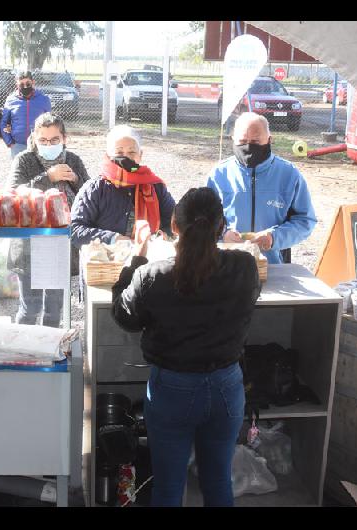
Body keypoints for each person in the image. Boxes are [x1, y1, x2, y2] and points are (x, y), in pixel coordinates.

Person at [111, 187, 262, 507]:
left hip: (172, 390)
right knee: (218, 480)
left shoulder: (151, 275)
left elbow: (125, 317)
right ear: (221, 227)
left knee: (167, 487)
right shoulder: (245, 267)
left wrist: (136, 257)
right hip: (226, 386)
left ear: (174, 227)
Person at [6, 113, 90, 328]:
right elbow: (14, 194)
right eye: (43, 140)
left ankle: (49, 353)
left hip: (60, 242)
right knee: (29, 308)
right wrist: (48, 177)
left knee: (54, 310)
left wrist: (76, 180)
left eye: (54, 140)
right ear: (34, 138)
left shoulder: (73, 160)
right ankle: (24, 353)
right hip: (30, 242)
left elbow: (89, 196)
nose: (49, 145)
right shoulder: (24, 159)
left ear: (64, 139)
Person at [207, 112, 317, 264]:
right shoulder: (219, 174)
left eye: (256, 141)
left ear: (269, 139)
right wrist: (222, 235)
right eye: (243, 141)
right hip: (227, 265)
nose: (248, 146)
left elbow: (305, 220)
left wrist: (274, 237)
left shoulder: (289, 174)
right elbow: (204, 220)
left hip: (273, 265)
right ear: (233, 139)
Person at [70, 124, 176, 248]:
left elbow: (174, 223)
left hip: (147, 260)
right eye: (119, 152)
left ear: (140, 155)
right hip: (107, 262)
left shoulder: (156, 187)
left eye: (131, 152)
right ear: (109, 155)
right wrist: (114, 239)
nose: (126, 157)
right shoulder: (96, 188)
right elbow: (75, 230)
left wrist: (157, 239)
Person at [0, 71, 52, 158]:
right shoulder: (11, 100)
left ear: (33, 82)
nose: (25, 86)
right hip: (18, 145)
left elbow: (50, 122)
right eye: (21, 84)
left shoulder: (44, 99)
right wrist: (9, 142)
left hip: (39, 144)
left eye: (28, 83)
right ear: (17, 85)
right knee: (19, 171)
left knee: (39, 171)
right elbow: (4, 123)